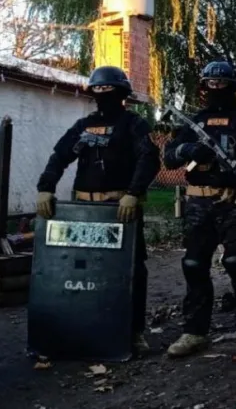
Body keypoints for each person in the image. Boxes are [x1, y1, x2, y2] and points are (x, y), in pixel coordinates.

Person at [35, 66, 161, 353]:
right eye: (99, 90)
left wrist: (133, 193)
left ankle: (134, 331)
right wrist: (46, 187)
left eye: (109, 90)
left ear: (121, 94)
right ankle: (85, 325)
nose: (103, 95)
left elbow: (149, 160)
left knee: (130, 269)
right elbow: (60, 156)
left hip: (120, 210)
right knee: (82, 269)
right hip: (82, 209)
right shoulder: (83, 126)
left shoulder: (134, 124)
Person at [163, 60, 236, 357]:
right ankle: (194, 331)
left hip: (232, 202)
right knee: (194, 265)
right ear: (204, 87)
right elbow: (169, 157)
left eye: (222, 84)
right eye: (211, 84)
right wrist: (188, 151)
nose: (216, 89)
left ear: (233, 86)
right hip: (197, 203)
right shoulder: (194, 123)